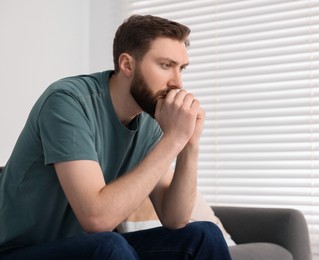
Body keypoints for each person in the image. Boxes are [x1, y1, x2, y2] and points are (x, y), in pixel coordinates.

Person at [0, 14, 232, 259]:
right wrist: (173, 139)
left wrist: (189, 144)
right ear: (127, 65)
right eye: (166, 65)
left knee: (205, 234)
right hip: (16, 250)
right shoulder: (68, 102)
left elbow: (175, 218)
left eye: (181, 68)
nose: (178, 83)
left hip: (81, 247)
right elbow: (96, 219)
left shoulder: (150, 119)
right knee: (109, 245)